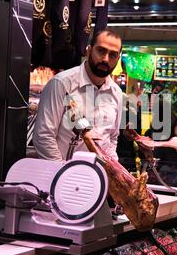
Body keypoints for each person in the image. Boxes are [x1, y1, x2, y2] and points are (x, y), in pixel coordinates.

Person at [33, 29, 123, 160]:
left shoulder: (116, 93)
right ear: (89, 50)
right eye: (101, 51)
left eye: (113, 55)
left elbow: (112, 138)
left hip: (97, 176)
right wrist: (64, 173)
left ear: (118, 59)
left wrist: (111, 172)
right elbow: (44, 136)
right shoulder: (62, 84)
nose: (106, 59)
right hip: (62, 174)